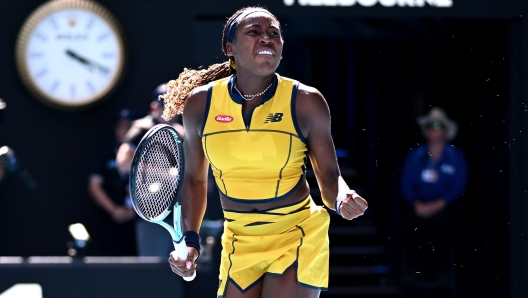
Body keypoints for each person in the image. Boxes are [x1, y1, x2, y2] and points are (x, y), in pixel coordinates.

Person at [162, 7, 368, 298]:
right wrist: (191, 242)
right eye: (254, 32)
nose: (267, 39)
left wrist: (342, 197)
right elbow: (196, 180)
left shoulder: (306, 102)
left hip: (295, 231)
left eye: (274, 33)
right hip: (239, 236)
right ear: (229, 48)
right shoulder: (200, 105)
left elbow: (330, 177)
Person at [399, 107, 468, 289]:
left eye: (438, 125)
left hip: (444, 206)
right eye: (429, 125)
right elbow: (406, 183)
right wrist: (416, 204)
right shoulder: (415, 155)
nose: (433, 129)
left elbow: (459, 185)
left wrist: (440, 203)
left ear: (445, 129)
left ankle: (443, 274)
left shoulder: (455, 156)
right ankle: (414, 273)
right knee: (410, 222)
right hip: (419, 205)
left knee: (446, 224)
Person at [116, 83, 184, 259]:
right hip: (149, 212)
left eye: (176, 106)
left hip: (178, 212)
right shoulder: (140, 128)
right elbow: (123, 162)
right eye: (167, 106)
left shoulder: (182, 133)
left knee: (179, 270)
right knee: (153, 265)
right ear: (154, 106)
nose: (172, 112)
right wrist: (168, 174)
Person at [88, 108, 139, 256]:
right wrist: (113, 210)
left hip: (142, 223)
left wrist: (136, 212)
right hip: (111, 223)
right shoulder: (106, 155)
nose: (124, 130)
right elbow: (94, 185)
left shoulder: (151, 154)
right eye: (121, 126)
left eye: (129, 126)